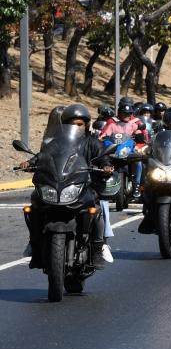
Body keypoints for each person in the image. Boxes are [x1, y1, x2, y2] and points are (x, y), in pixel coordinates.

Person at [21, 104, 113, 269]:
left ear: (86, 125)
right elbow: (43, 156)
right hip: (58, 185)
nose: (75, 127)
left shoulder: (92, 142)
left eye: (79, 124)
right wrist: (30, 162)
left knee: (97, 210)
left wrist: (106, 166)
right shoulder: (56, 142)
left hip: (83, 186)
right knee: (34, 205)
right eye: (71, 124)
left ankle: (98, 248)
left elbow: (102, 158)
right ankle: (34, 245)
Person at [100, 98, 148, 201]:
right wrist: (101, 138)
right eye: (124, 113)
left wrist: (141, 138)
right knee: (102, 159)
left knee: (139, 162)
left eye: (129, 113)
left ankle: (137, 185)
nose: (126, 116)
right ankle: (103, 182)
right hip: (114, 149)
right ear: (119, 111)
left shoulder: (135, 122)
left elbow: (142, 134)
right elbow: (104, 134)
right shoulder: (112, 122)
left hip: (129, 148)